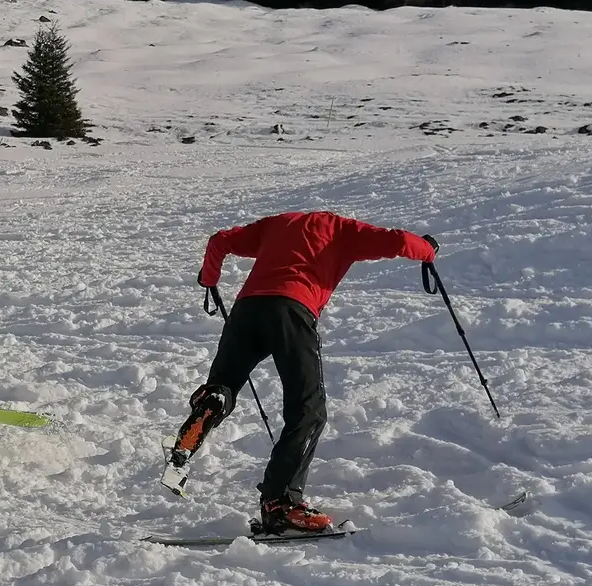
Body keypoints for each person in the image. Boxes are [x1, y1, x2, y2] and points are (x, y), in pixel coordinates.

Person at [171, 211, 438, 533]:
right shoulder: (344, 230)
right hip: (292, 311)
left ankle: (213, 400)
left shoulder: (273, 225)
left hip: (246, 312)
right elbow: (399, 241)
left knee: (223, 385)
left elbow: (219, 241)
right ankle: (280, 503)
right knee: (308, 410)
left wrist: (209, 279)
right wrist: (428, 250)